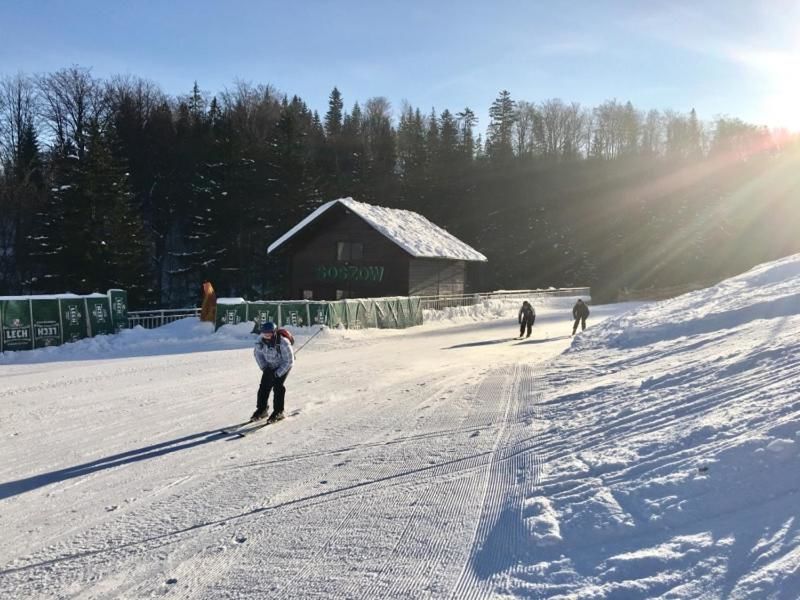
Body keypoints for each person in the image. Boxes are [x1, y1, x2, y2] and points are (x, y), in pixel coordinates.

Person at [252, 321, 294, 422]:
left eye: (269, 332)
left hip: (283, 365)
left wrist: (278, 373)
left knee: (278, 386)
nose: (267, 334)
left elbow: (289, 361)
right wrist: (264, 368)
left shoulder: (283, 342)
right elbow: (258, 355)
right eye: (264, 332)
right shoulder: (260, 341)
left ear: (274, 332)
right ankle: (262, 409)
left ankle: (279, 412)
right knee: (264, 387)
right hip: (269, 366)